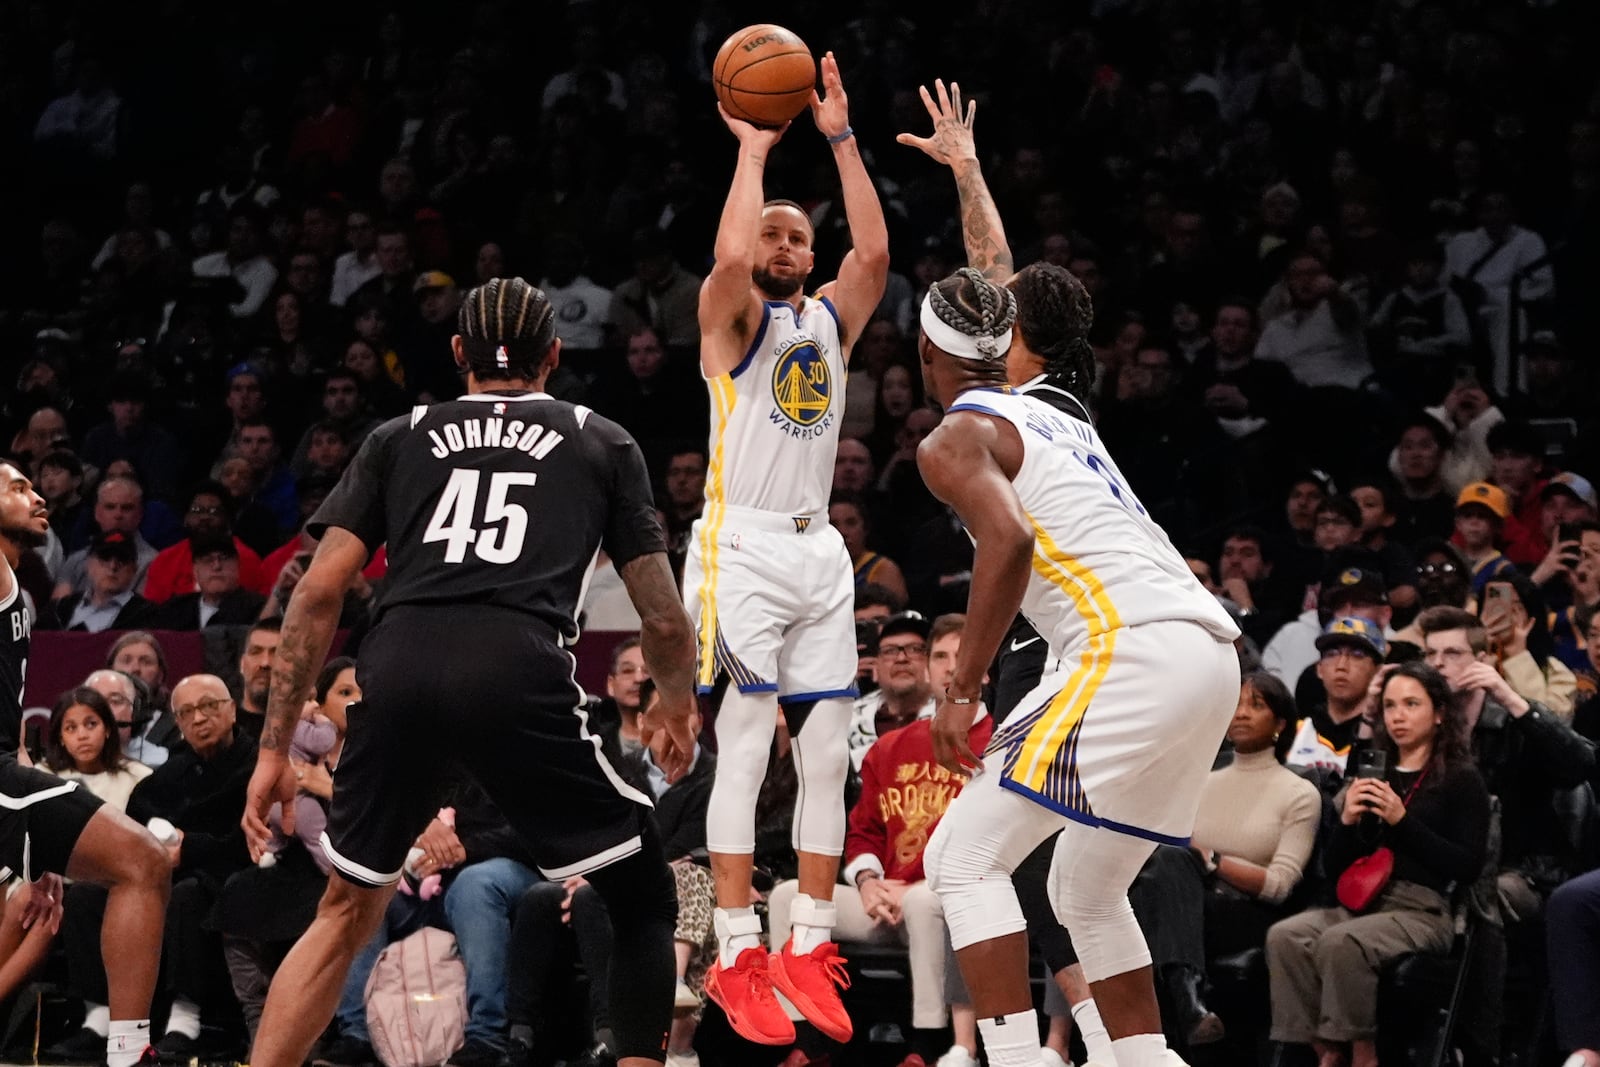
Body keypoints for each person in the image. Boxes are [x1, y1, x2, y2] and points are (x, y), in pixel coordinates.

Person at [239, 277, 700, 1067]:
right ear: (554, 356)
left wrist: (274, 748)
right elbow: (661, 614)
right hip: (516, 664)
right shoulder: (600, 438)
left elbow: (316, 593)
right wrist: (676, 706)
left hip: (399, 660)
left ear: (459, 356)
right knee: (642, 896)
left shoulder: (398, 434)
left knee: (346, 907)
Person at [910, 261, 1240, 1067]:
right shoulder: (1060, 417)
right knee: (1085, 888)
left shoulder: (953, 436)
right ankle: (1147, 1060)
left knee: (961, 857)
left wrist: (961, 689)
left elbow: (1011, 540)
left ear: (926, 352)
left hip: (1129, 647)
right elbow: (1001, 280)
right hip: (1210, 654)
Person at [687, 52, 889, 1047]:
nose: (781, 237)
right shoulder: (730, 324)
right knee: (747, 736)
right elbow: (728, 256)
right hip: (742, 549)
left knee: (823, 750)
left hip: (820, 553)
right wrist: (755, 152)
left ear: (809, 257)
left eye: (795, 232)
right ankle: (733, 951)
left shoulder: (827, 321)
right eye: (771, 226)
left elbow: (877, 261)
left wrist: (844, 140)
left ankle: (807, 940)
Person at [0, 458, 171, 1063]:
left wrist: (44, 843)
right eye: (17, 487)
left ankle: (127, 1048)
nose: (37, 496)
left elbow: (14, 732)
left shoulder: (19, 587)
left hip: (6, 778)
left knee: (130, 869)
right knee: (142, 861)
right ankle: (129, 1051)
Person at [1266, 662, 1490, 1067]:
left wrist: (1402, 822)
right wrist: (1348, 823)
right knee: (1286, 936)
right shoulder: (1373, 770)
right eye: (1389, 706)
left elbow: (1467, 866)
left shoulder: (1461, 778)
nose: (1398, 715)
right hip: (1361, 902)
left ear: (1439, 713)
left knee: (1342, 943)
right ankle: (1324, 1050)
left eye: (1411, 704)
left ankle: (1363, 1054)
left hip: (1422, 908)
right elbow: (1335, 869)